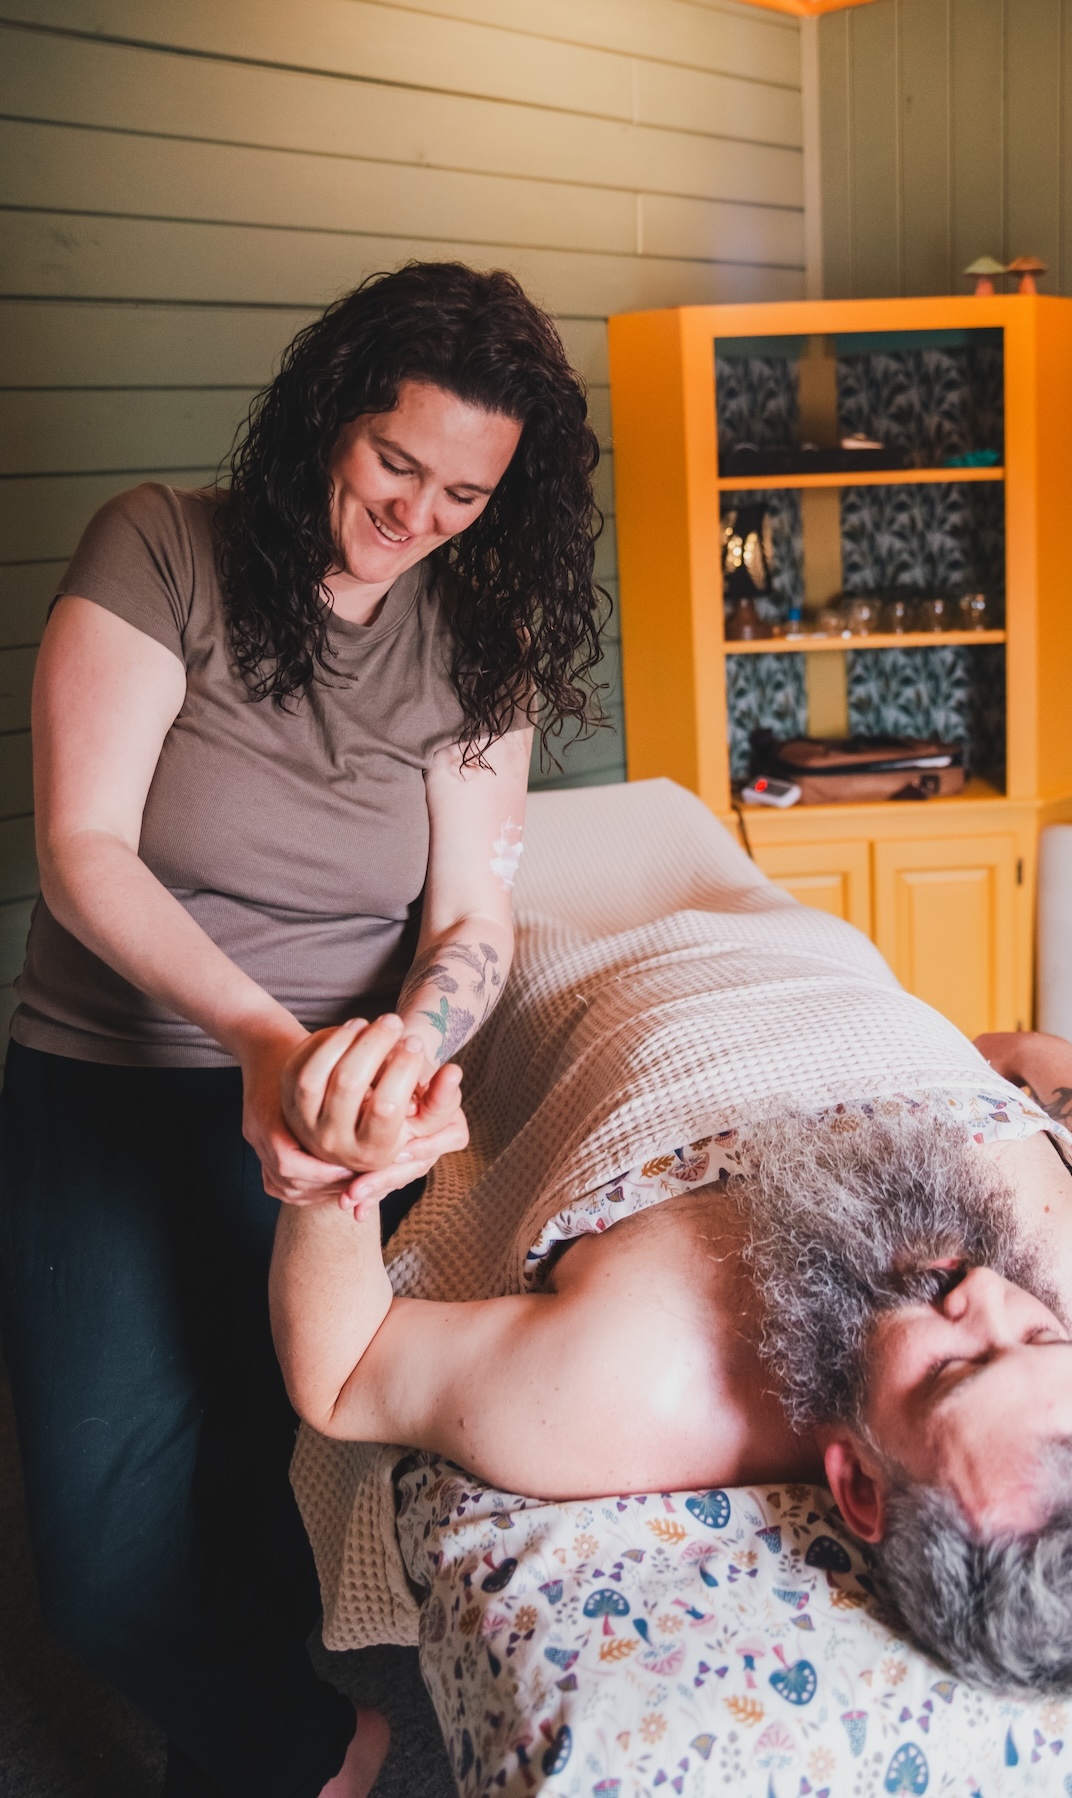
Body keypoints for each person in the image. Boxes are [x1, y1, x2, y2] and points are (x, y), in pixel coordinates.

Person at [0, 261, 607, 1797]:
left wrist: (407, 1040)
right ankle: (322, 1743)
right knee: (97, 1551)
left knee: (242, 1455)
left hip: (331, 1119)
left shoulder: (478, 647)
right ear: (328, 416)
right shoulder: (160, 547)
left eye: (464, 493)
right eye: (396, 461)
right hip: (113, 1083)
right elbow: (85, 851)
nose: (418, 514)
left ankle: (249, 1755)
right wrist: (266, 1040)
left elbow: (473, 921)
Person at [271, 1015, 1072, 1698]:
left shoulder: (638, 1387)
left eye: (954, 1369)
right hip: (827, 955)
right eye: (1047, 1335)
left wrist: (329, 1175)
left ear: (860, 1489)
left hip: (586, 966)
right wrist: (1013, 1050)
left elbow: (347, 1377)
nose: (987, 1295)